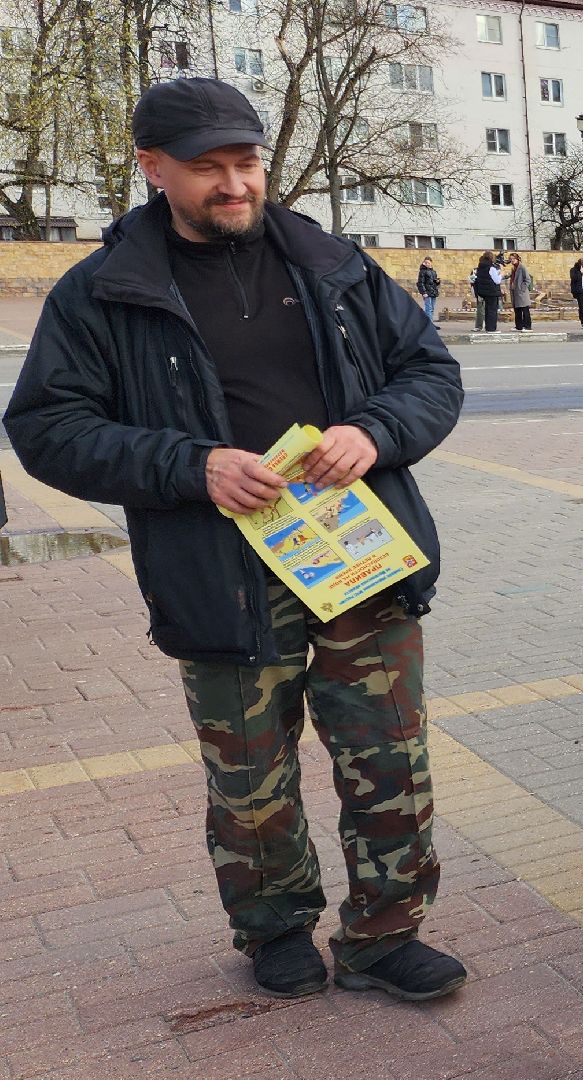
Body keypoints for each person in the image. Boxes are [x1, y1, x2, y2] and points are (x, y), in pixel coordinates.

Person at [2, 77, 468, 1003]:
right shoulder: (106, 292)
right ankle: (275, 928)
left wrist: (374, 431)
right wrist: (191, 465)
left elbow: (430, 371)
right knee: (250, 777)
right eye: (206, 167)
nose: (234, 183)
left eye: (246, 161)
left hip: (356, 560)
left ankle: (383, 936)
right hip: (217, 573)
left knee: (389, 756)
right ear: (153, 168)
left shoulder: (333, 264)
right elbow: (48, 427)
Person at [473, 253, 503, 332]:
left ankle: (488, 327)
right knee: (492, 310)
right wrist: (500, 274)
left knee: (487, 310)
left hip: (483, 291)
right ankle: (491, 328)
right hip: (492, 291)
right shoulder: (491, 268)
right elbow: (497, 280)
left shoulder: (480, 267)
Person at [507, 253, 535, 333]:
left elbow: (528, 279)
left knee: (525, 309)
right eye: (511, 259)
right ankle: (519, 326)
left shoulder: (522, 267)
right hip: (515, 292)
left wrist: (522, 288)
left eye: (513, 259)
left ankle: (528, 327)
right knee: (517, 310)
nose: (512, 260)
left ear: (517, 259)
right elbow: (512, 277)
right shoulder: (513, 268)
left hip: (521, 292)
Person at [415, 256, 439, 321]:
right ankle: (429, 323)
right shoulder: (422, 271)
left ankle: (430, 322)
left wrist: (437, 282)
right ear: (424, 263)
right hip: (427, 292)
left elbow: (434, 283)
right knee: (428, 308)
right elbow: (420, 283)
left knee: (432, 308)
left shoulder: (433, 272)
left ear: (431, 263)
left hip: (433, 292)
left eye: (428, 263)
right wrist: (424, 292)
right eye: (426, 262)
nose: (427, 264)